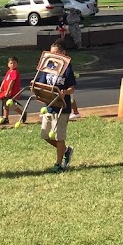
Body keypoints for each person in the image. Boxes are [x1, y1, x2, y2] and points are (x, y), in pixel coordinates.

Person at [39, 39, 77, 173]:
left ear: (63, 53)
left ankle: (58, 164)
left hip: (62, 107)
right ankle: (66, 150)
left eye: (56, 53)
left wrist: (65, 92)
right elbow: (42, 84)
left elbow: (72, 88)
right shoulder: (48, 67)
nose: (53, 55)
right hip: (49, 106)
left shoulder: (67, 69)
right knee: (45, 135)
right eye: (51, 53)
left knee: (59, 137)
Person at [0, 56, 24, 125]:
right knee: (5, 104)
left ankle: (23, 113)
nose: (13, 65)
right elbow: (4, 80)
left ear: (17, 64)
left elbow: (12, 82)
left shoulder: (15, 72)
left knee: (10, 105)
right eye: (11, 63)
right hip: (6, 91)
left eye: (14, 63)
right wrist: (1, 89)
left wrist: (8, 91)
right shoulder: (9, 72)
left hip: (11, 92)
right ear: (8, 64)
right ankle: (6, 118)